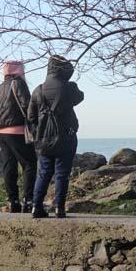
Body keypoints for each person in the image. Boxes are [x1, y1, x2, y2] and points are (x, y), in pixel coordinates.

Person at [28, 55, 84, 218]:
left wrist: (38, 133)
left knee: (44, 173)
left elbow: (31, 117)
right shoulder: (69, 88)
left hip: (44, 140)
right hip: (66, 137)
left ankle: (36, 207)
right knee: (61, 173)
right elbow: (80, 97)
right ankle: (59, 207)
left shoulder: (38, 90)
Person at [0, 61, 37, 213]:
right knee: (29, 164)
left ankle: (13, 202)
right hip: (17, 130)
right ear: (19, 71)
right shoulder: (18, 84)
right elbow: (27, 106)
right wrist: (34, 126)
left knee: (9, 166)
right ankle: (28, 201)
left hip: (0, 132)